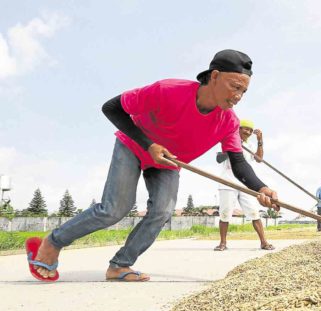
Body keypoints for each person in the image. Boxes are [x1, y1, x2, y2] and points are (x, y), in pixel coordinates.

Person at [26, 49, 279, 282]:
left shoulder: (228, 122)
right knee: (114, 209)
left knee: (162, 211)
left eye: (243, 92)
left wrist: (261, 188)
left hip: (168, 162)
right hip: (135, 144)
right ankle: (52, 242)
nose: (238, 97)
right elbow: (111, 108)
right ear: (214, 76)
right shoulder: (169, 90)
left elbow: (237, 162)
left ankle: (120, 265)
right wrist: (148, 144)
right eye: (234, 87)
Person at [214, 119, 274, 251]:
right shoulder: (228, 140)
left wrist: (260, 141)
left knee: (254, 213)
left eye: (250, 130)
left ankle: (264, 242)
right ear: (238, 129)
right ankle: (223, 243)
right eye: (245, 128)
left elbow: (259, 159)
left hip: (246, 184)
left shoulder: (250, 145)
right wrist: (234, 147)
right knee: (225, 214)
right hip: (227, 182)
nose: (248, 132)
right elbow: (219, 159)